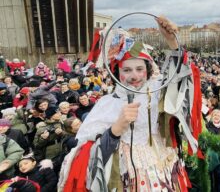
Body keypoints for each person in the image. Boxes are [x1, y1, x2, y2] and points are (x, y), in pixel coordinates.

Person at [59, 17, 198, 191]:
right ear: (117, 72)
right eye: (127, 70)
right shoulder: (107, 104)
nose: (134, 76)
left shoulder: (157, 91)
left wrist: (171, 41)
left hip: (166, 165)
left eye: (139, 69)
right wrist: (116, 129)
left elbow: (182, 78)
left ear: (147, 70)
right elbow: (88, 157)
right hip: (127, 175)